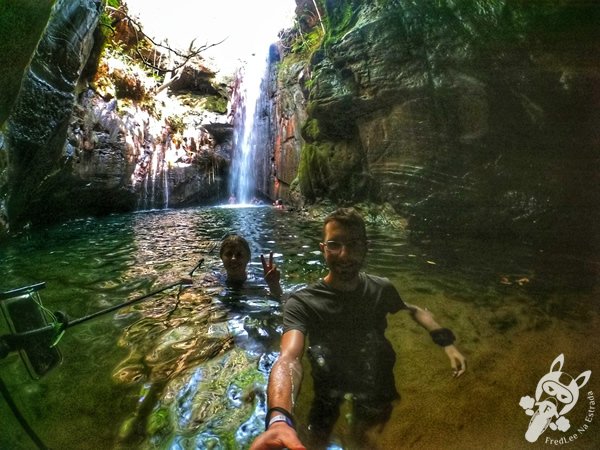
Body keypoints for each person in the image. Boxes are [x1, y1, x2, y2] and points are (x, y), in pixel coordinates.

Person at [249, 208, 467, 450]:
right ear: (323, 249)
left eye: (353, 244)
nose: (344, 255)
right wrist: (279, 418)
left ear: (366, 247)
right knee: (315, 438)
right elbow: (289, 358)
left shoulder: (381, 289)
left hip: (375, 381)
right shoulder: (302, 302)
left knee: (365, 440)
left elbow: (413, 310)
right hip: (328, 383)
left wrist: (446, 343)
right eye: (334, 245)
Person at [218, 234, 283, 299]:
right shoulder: (215, 280)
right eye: (229, 254)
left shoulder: (259, 283)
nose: (233, 259)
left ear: (248, 258)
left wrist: (274, 286)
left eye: (239, 255)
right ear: (221, 257)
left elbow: (279, 299)